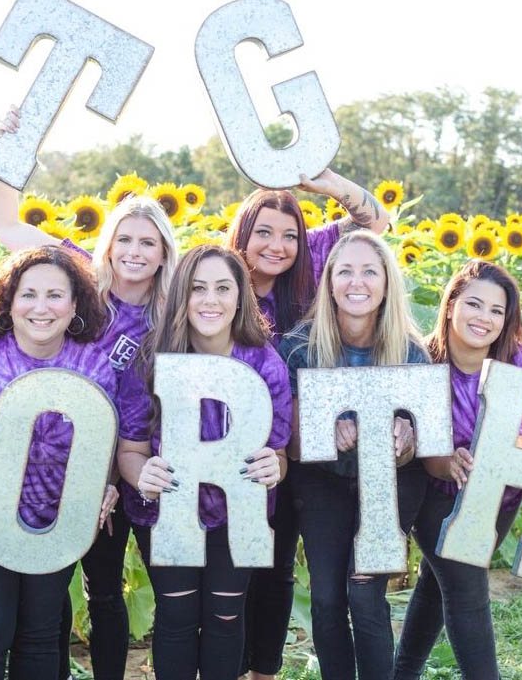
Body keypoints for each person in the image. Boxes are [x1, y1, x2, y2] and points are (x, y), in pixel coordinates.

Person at [0, 106, 178, 680]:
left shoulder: (175, 312)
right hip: (73, 465)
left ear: (165, 251)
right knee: (79, 587)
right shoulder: (77, 277)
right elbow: (2, 222)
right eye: (126, 238)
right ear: (109, 242)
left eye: (149, 241)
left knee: (142, 594)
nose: (136, 251)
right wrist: (12, 147)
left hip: (143, 463)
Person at [0, 246, 147, 680]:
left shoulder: (95, 366)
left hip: (56, 523)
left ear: (76, 303)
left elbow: (112, 440)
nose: (41, 308)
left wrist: (108, 483)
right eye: (29, 294)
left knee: (40, 634)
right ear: (10, 300)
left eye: (55, 295)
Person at [225, 175, 389, 680]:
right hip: (223, 438)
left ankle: (264, 671)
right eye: (264, 233)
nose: (278, 246)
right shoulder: (218, 277)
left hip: (292, 446)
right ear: (242, 235)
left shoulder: (313, 261)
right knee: (230, 566)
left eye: (289, 235)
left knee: (275, 566)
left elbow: (376, 222)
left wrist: (321, 182)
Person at [116, 245, 293, 680]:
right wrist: (143, 475)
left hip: (238, 514)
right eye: (198, 288)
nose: (210, 300)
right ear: (181, 296)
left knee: (226, 616)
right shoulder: (150, 359)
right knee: (176, 616)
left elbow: (280, 455)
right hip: (168, 510)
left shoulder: (264, 363)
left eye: (222, 288)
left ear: (240, 297)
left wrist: (276, 466)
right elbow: (130, 449)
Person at [279, 231, 426, 680]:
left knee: (364, 594)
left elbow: (423, 439)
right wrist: (322, 428)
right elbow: (292, 443)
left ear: (386, 283)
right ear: (329, 282)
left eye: (369, 271)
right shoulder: (299, 348)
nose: (356, 282)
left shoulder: (410, 352)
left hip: (391, 481)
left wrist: (408, 435)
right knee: (325, 599)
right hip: (322, 480)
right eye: (345, 271)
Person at [392, 261, 522, 680]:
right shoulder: (422, 361)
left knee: (437, 578)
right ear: (450, 305)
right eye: (474, 304)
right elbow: (423, 450)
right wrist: (450, 461)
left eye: (497, 311)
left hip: (499, 499)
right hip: (435, 495)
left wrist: (496, 459)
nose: (484, 318)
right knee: (465, 590)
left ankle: (401, 672)